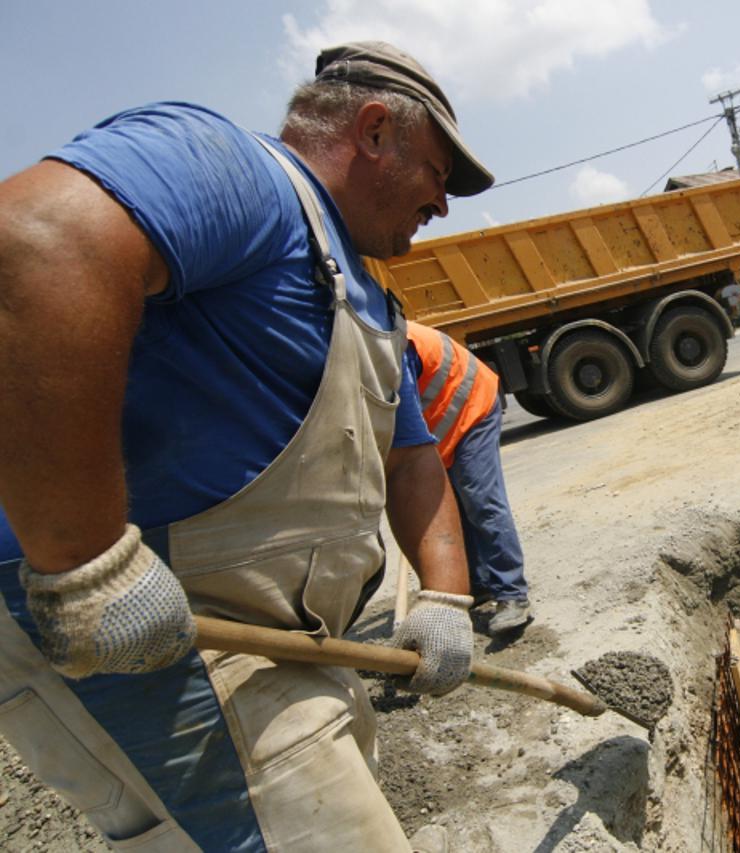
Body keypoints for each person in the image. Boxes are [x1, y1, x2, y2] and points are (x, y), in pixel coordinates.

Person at [0, 41, 493, 850]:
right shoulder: (241, 177)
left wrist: (443, 595)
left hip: (283, 645)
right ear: (373, 131)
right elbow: (37, 239)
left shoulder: (365, 295)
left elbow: (412, 458)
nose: (441, 204)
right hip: (155, 646)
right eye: (437, 173)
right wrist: (84, 560)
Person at [404, 322, 533, 634]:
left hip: (471, 405)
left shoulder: (391, 347)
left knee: (480, 499)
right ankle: (478, 583)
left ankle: (512, 594)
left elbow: (402, 423)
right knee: (451, 507)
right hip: (441, 425)